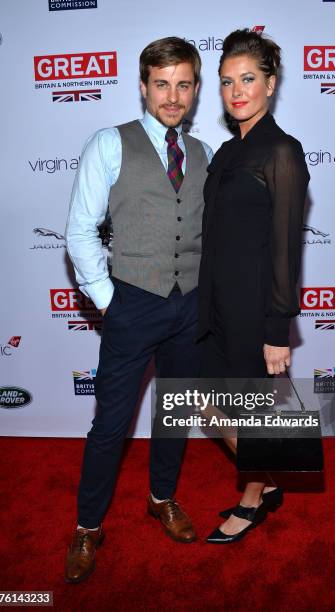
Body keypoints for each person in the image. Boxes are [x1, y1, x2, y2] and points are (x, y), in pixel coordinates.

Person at [64, 36, 212, 582]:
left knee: (174, 414)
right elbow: (80, 231)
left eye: (183, 84)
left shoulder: (204, 154)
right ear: (144, 85)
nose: (172, 96)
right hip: (132, 305)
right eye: (161, 84)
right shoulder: (109, 143)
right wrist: (111, 301)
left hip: (190, 306)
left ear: (196, 89)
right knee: (110, 426)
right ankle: (87, 527)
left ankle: (162, 498)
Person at [198, 30, 310, 543]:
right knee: (203, 402)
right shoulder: (225, 151)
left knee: (248, 411)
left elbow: (287, 247)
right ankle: (269, 476)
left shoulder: (282, 152)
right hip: (215, 307)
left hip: (253, 311)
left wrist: (277, 329)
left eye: (248, 79)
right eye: (227, 81)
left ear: (270, 84)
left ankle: (253, 497)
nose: (237, 90)